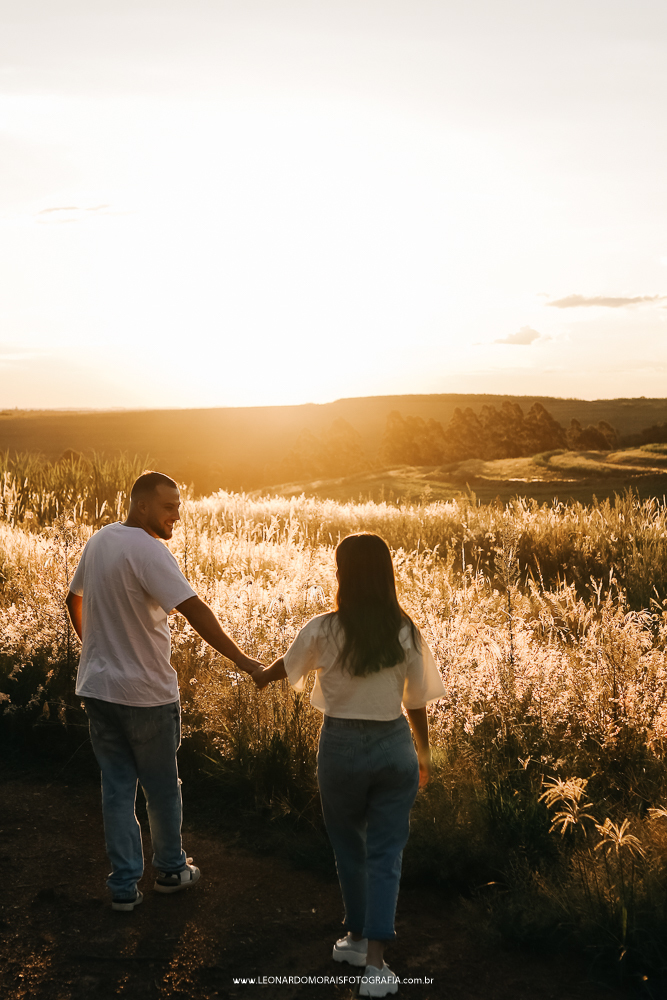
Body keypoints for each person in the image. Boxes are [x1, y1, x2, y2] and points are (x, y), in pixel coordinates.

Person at [251, 532, 445, 998]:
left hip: (340, 747)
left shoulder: (324, 628)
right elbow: (416, 701)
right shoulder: (405, 630)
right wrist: (424, 753)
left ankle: (357, 940)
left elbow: (289, 664)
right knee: (386, 852)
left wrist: (260, 675)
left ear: (343, 574)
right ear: (386, 574)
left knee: (348, 846)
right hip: (395, 744)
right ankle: (375, 964)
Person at [66, 471, 263, 912]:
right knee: (161, 788)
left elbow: (73, 599)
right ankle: (171, 871)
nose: (178, 514)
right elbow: (196, 611)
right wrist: (245, 662)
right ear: (141, 506)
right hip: (147, 695)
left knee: (116, 789)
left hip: (98, 688)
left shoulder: (100, 540)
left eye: (178, 505)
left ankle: (123, 888)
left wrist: (97, 650)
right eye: (168, 506)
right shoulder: (150, 552)